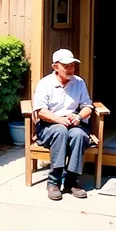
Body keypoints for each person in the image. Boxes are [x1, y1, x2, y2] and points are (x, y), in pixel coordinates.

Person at [33, 48, 93, 201]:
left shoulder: (79, 82)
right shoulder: (45, 83)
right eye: (66, 66)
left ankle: (72, 181)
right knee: (61, 131)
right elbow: (40, 111)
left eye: (72, 65)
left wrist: (78, 116)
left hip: (74, 123)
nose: (70, 69)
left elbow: (88, 106)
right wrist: (59, 120)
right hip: (50, 125)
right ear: (55, 67)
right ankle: (53, 182)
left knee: (78, 134)